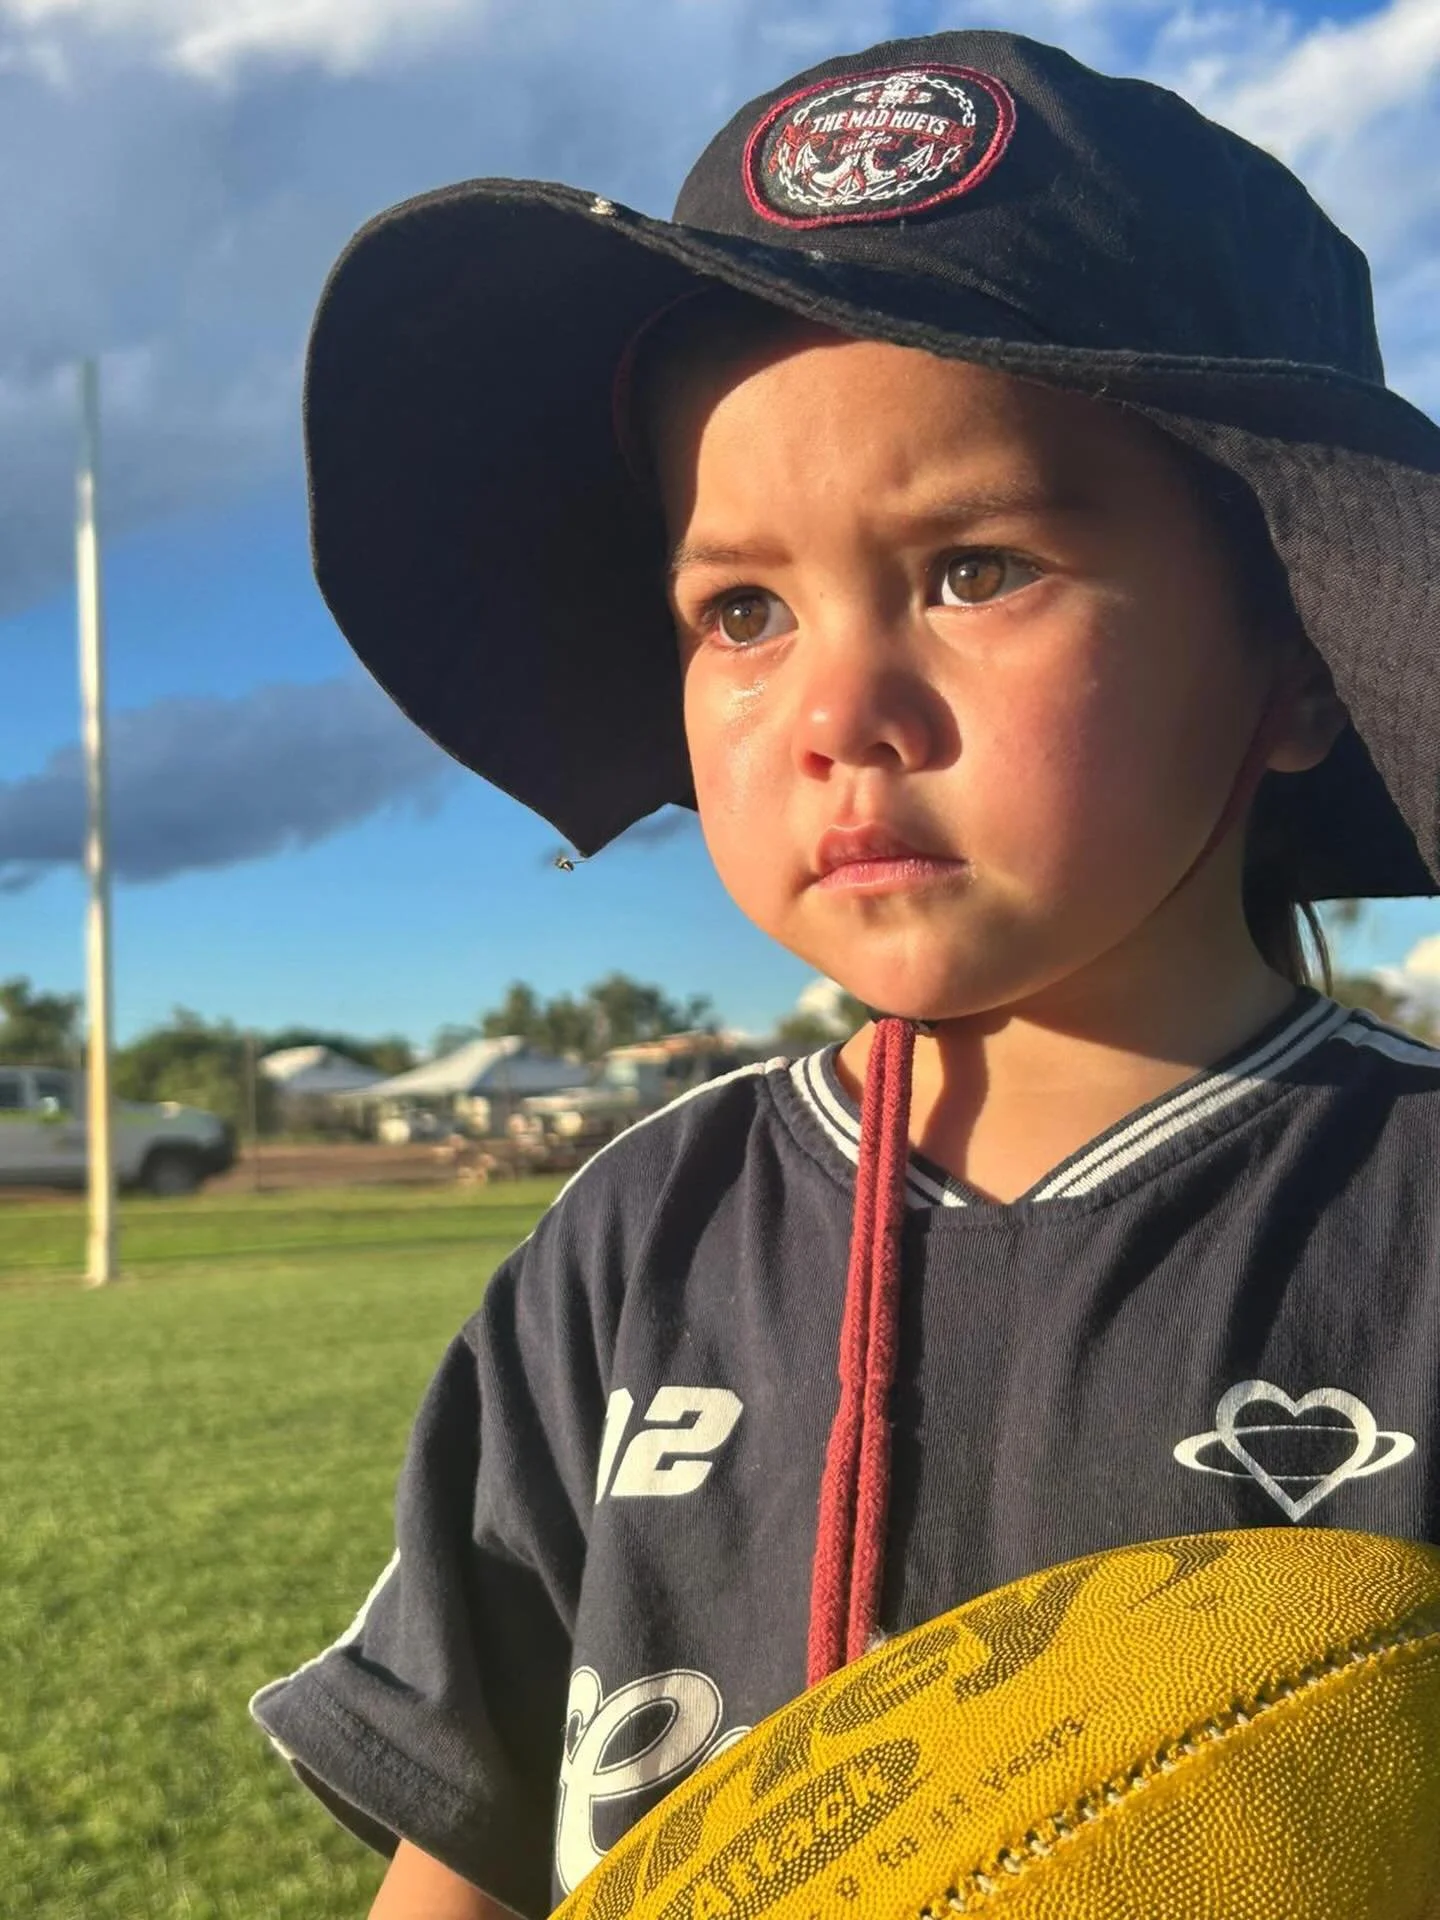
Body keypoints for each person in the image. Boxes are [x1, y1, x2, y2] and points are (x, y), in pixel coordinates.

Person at [250, 29, 1440, 1919]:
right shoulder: (631, 1245)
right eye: (741, 610)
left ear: (1296, 658)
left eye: (973, 568)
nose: (835, 711)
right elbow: (459, 1848)